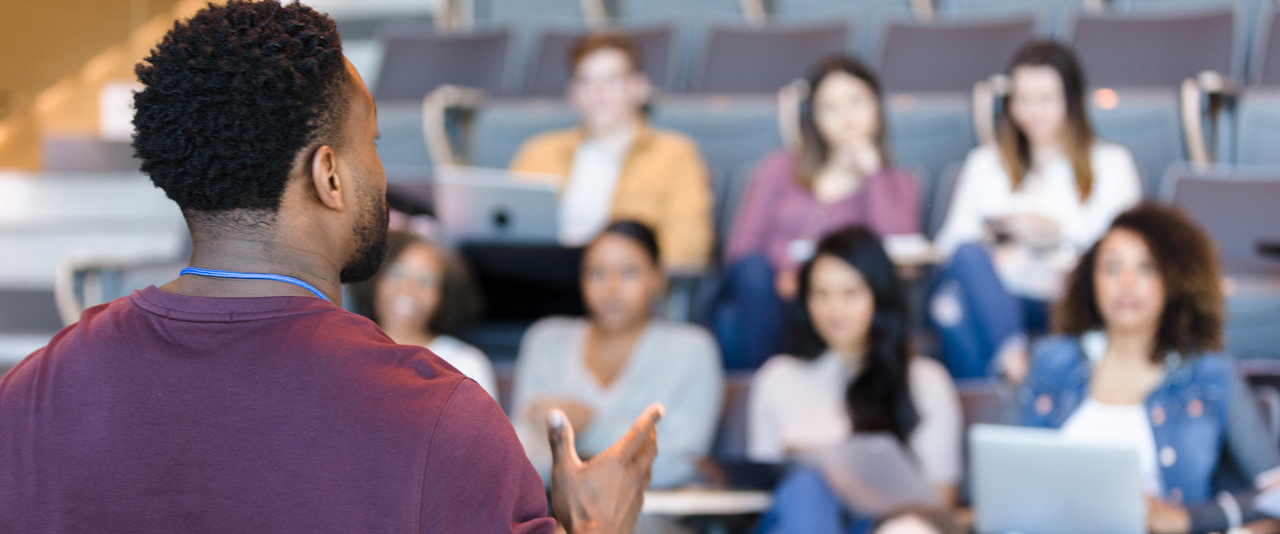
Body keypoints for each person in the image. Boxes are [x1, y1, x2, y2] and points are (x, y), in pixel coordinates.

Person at [0, 2, 661, 532]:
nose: (380, 170)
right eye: (369, 143)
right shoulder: (440, 417)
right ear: (329, 175)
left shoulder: (33, 391)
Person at [1021, 203, 1280, 534]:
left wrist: (1188, 520)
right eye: (1112, 267)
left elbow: (1275, 494)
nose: (1126, 282)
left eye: (1146, 268)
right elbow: (990, 482)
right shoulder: (1050, 361)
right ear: (1091, 281)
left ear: (1175, 280)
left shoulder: (1210, 373)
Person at [931, 41, 1142, 380]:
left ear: (1071, 102)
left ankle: (994, 405)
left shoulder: (1111, 163)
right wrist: (994, 246)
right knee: (964, 269)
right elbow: (950, 248)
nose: (1034, 112)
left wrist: (1058, 236)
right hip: (1001, 290)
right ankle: (1015, 362)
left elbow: (1125, 248)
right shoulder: (985, 163)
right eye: (1023, 100)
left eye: (1046, 100)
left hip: (1067, 294)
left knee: (949, 311)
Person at [748, 227, 962, 533]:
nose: (834, 309)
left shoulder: (924, 381)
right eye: (821, 295)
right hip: (798, 520)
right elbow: (762, 486)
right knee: (806, 489)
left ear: (879, 295)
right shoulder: (777, 378)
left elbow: (942, 498)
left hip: (883, 524)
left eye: (850, 294)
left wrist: (847, 481)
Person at [717, 56, 921, 369]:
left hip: (840, 303)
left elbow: (898, 255)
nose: (846, 117)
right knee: (749, 281)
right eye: (830, 107)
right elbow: (741, 247)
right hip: (772, 295)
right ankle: (764, 387)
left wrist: (872, 175)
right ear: (813, 117)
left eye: (856, 102)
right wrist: (786, 276)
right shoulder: (779, 167)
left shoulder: (897, 182)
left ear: (877, 107)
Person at [512, 221, 724, 489]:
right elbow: (521, 455)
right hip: (555, 518)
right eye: (597, 273)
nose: (611, 287)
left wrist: (590, 424)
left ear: (658, 279)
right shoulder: (546, 340)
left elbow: (679, 464)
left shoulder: (693, 350)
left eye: (628, 272)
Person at [509, 34, 714, 270]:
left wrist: (614, 262)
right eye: (586, 81)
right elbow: (507, 230)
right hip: (541, 273)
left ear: (640, 87)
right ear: (572, 93)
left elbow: (690, 246)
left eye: (612, 79)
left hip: (620, 281)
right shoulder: (538, 151)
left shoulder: (675, 154)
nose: (599, 91)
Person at [353, 230, 497, 400]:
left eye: (426, 280)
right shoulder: (349, 353)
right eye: (396, 274)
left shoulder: (465, 364)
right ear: (375, 279)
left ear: (442, 296)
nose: (408, 289)